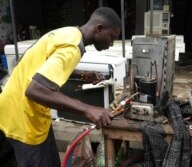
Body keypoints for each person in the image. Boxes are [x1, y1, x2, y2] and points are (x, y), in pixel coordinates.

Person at [0, 7, 121, 167]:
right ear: (99, 28)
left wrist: (81, 74)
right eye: (112, 37)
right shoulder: (72, 48)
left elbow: (45, 65)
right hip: (22, 117)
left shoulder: (69, 33)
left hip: (19, 108)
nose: (111, 43)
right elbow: (34, 89)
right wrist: (87, 109)